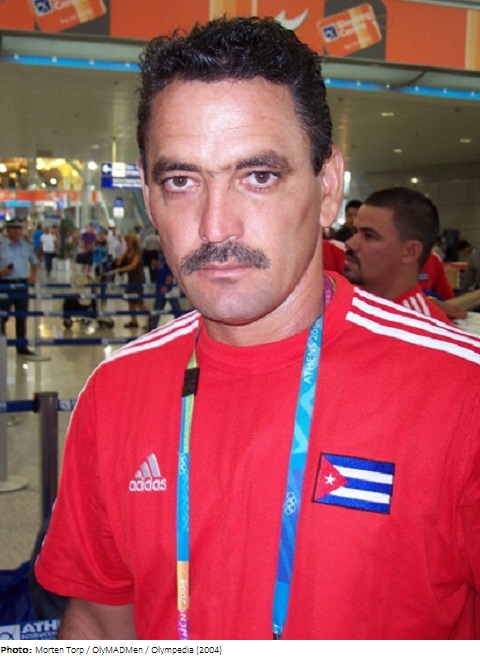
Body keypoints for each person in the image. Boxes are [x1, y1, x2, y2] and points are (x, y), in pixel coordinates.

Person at [35, 17, 480, 640]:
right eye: (182, 181)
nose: (216, 226)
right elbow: (101, 621)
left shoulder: (460, 393)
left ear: (328, 188)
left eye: (258, 176)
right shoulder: (115, 391)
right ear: (151, 199)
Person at [343, 187, 461, 323]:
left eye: (369, 236)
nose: (350, 243)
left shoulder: (422, 331)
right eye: (355, 232)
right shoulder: (339, 304)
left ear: (410, 252)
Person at [0, 217, 39, 357]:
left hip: (22, 285)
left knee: (22, 316)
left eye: (19, 228)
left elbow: (35, 262)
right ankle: (1, 345)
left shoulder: (26, 246)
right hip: (4, 285)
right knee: (2, 317)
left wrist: (33, 276)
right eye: (14, 228)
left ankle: (22, 347)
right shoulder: (1, 246)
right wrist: (2, 272)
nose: (17, 231)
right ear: (8, 230)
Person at [110, 233, 148, 329]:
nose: (127, 243)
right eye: (126, 241)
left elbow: (133, 266)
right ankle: (134, 321)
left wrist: (120, 270)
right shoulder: (127, 252)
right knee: (130, 301)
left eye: (129, 241)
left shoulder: (138, 253)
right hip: (130, 279)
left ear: (134, 242)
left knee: (138, 302)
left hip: (138, 279)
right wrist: (115, 265)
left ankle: (151, 319)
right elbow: (119, 262)